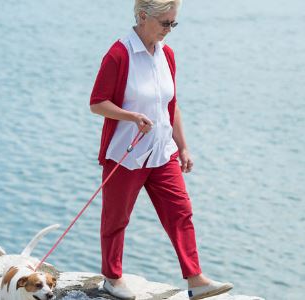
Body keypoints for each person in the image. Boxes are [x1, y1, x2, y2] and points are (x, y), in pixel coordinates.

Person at [89, 1, 233, 299]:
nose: (169, 30)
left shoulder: (166, 54)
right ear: (143, 17)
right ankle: (112, 279)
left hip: (162, 151)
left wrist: (183, 147)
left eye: (173, 24)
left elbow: (171, 105)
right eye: (165, 23)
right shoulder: (119, 54)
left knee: (181, 212)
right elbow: (97, 103)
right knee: (116, 219)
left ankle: (195, 279)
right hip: (126, 155)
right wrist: (131, 116)